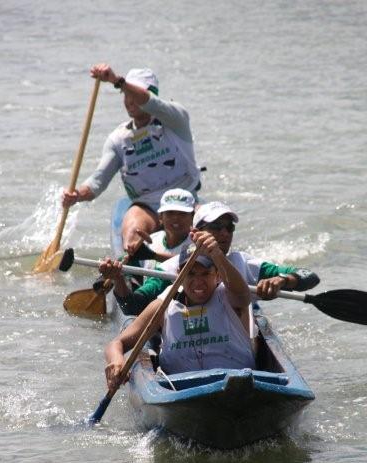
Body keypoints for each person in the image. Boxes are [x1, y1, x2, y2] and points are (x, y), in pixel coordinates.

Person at [62, 63, 201, 255]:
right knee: (133, 237)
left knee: (210, 230)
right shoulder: (118, 139)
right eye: (125, 95)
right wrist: (76, 195)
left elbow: (150, 102)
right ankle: (135, 274)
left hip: (186, 201)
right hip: (148, 207)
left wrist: (117, 81)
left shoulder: (175, 118)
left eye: (133, 94)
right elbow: (97, 182)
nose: (129, 100)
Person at [99, 201, 321, 315]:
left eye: (229, 227)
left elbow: (309, 277)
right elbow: (133, 307)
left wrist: (283, 280)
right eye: (216, 227)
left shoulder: (245, 263)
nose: (224, 233)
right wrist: (118, 279)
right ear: (195, 233)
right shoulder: (172, 269)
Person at [104, 231, 255, 392]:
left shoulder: (230, 296)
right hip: (182, 392)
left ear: (217, 275)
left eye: (205, 273)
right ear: (179, 275)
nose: (198, 282)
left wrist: (217, 254)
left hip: (235, 388)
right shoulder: (164, 305)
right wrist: (117, 361)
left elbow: (243, 294)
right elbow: (116, 343)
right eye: (190, 273)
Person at [98, 188, 195, 297]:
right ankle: (105, 283)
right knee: (128, 259)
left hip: (178, 298)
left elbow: (188, 262)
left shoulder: (196, 243)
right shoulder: (153, 239)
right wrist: (113, 268)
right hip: (149, 295)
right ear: (160, 217)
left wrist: (153, 255)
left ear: (192, 217)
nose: (176, 218)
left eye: (182, 214)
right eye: (170, 213)